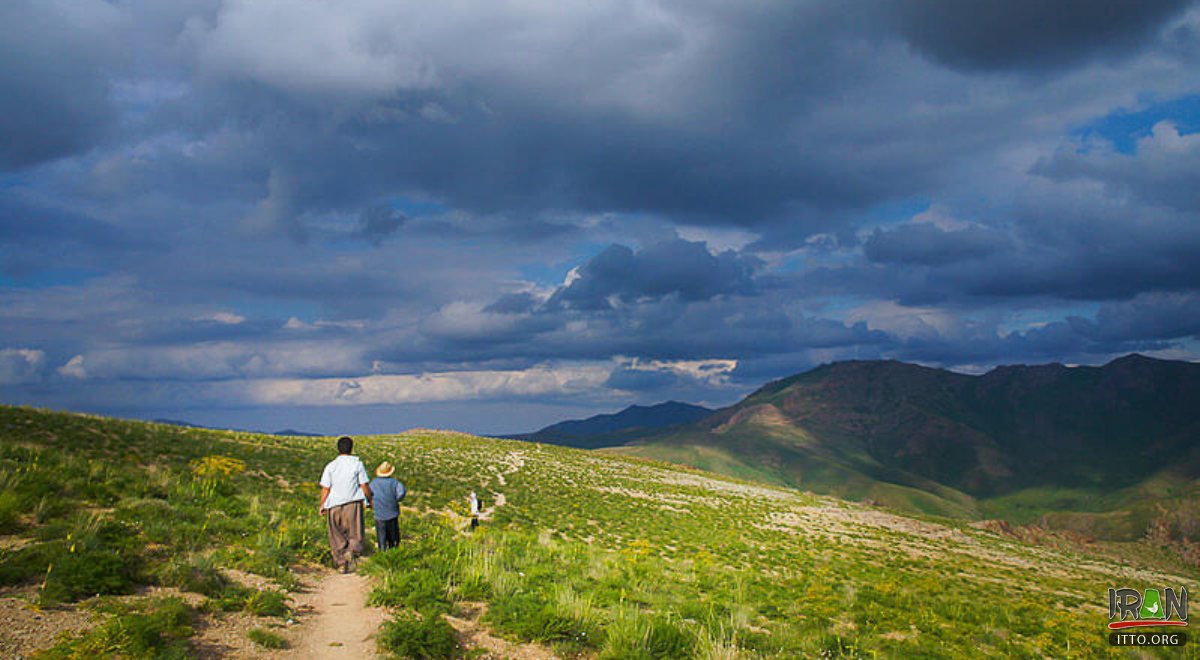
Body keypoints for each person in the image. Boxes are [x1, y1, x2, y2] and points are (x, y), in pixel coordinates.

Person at [319, 436, 372, 573]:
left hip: (334, 504)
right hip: (353, 502)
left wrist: (323, 504)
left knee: (336, 534)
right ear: (351, 448)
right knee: (355, 532)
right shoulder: (357, 464)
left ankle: (341, 561)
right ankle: (352, 555)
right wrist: (369, 498)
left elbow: (325, 488)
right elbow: (363, 484)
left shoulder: (331, 466)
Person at [368, 461, 406, 551]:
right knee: (393, 535)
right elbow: (401, 493)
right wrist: (395, 500)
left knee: (381, 535)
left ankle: (382, 551)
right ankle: (394, 550)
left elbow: (368, 494)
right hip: (392, 512)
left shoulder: (373, 483)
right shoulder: (395, 482)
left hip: (379, 513)